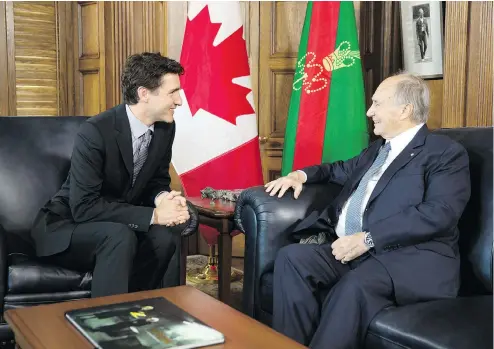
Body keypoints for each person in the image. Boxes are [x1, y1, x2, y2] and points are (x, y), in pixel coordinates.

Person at [265, 72, 471, 349]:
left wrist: (368, 238)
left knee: (355, 286)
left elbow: (440, 212)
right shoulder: (376, 151)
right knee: (292, 258)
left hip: (409, 258)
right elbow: (335, 169)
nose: (369, 111)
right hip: (354, 251)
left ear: (405, 109)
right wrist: (299, 176)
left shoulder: (444, 153)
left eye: (377, 104)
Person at [31, 52, 191, 297]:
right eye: (172, 92)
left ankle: (140, 311)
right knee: (120, 236)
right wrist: (154, 215)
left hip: (116, 225)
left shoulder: (165, 128)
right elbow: (84, 207)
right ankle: (108, 323)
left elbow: (156, 180)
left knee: (164, 237)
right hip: (67, 227)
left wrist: (163, 200)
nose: (179, 100)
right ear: (144, 93)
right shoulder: (95, 131)